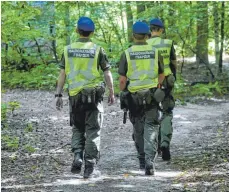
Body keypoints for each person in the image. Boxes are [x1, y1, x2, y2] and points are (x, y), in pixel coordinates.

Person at [55, 16, 115, 178]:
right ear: (92, 32)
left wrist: (59, 94)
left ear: (77, 30)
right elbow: (107, 72)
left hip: (75, 97)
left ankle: (77, 156)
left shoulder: (67, 50)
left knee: (77, 128)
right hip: (93, 97)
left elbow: (62, 74)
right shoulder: (98, 50)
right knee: (93, 131)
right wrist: (111, 91)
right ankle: (89, 164)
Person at [118, 21, 165, 175]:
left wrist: (122, 93)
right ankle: (150, 161)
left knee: (138, 129)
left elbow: (122, 80)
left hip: (134, 98)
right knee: (151, 127)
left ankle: (142, 159)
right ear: (148, 35)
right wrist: (157, 87)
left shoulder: (127, 53)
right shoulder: (155, 52)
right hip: (152, 96)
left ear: (133, 36)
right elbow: (161, 74)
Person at [147, 18, 177, 161]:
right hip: (166, 81)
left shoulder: (144, 44)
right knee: (167, 112)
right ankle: (165, 143)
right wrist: (174, 77)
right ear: (161, 30)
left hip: (150, 82)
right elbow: (173, 63)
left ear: (150, 30)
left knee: (152, 114)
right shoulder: (168, 43)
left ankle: (154, 148)